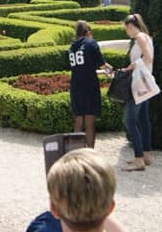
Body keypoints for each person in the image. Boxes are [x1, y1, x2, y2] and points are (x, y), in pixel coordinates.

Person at [37, 148, 129, 232]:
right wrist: (97, 206)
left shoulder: (40, 225)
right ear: (111, 208)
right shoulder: (109, 210)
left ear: (53, 208)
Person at [69, 21, 113, 149]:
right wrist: (111, 69)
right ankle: (90, 152)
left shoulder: (71, 47)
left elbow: (81, 67)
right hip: (89, 85)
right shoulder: (91, 43)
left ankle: (76, 151)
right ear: (87, 32)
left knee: (78, 119)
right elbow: (103, 65)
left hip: (75, 85)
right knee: (89, 120)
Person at [121, 14, 155, 172]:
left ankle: (139, 159)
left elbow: (148, 58)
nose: (126, 32)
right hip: (145, 82)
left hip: (139, 83)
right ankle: (146, 155)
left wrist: (132, 66)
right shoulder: (146, 37)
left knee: (130, 120)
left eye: (126, 29)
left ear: (130, 26)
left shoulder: (140, 38)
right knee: (143, 119)